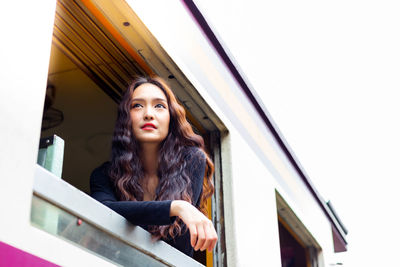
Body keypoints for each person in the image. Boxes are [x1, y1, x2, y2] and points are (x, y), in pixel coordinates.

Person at [90, 76, 218, 257]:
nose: (148, 114)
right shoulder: (104, 174)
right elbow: (103, 210)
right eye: (137, 106)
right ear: (126, 118)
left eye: (159, 106)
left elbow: (178, 248)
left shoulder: (191, 161)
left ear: (171, 118)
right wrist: (178, 207)